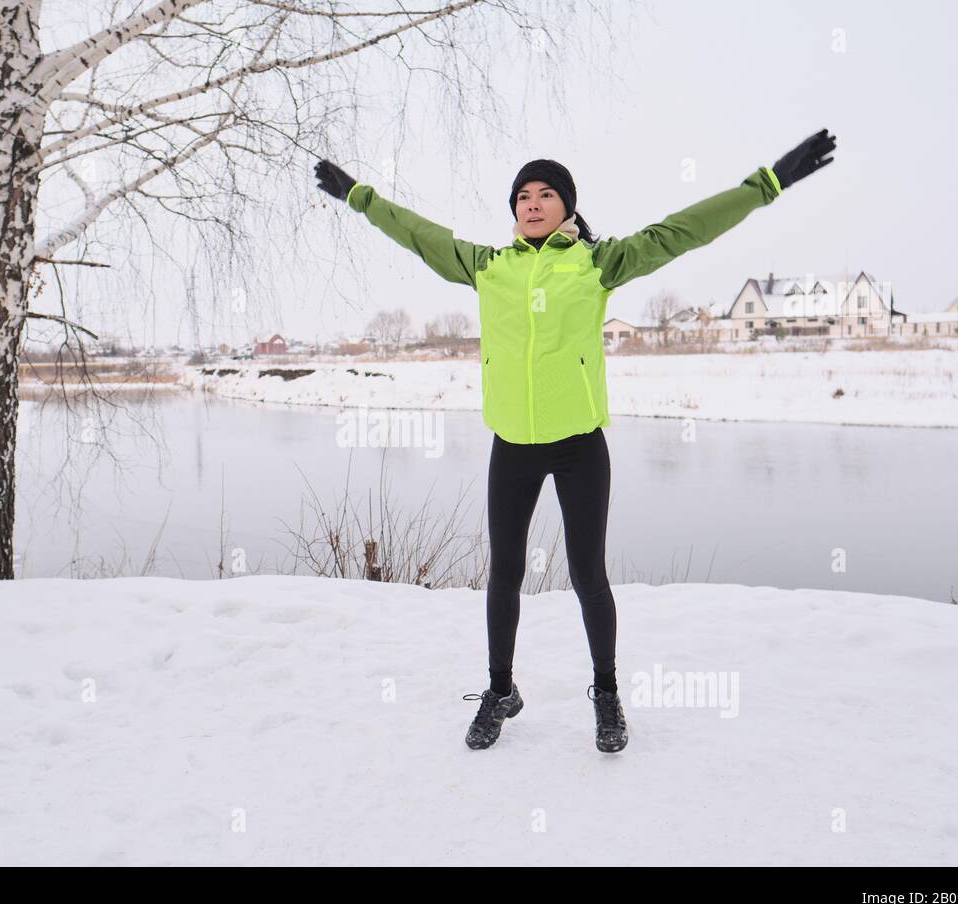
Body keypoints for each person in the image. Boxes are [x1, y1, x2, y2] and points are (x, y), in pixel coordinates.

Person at [313, 129, 837, 753]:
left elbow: (684, 230)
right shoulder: (488, 268)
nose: (531, 204)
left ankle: (607, 695)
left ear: (568, 206)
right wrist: (359, 197)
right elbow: (419, 233)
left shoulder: (598, 263)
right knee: (503, 572)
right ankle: (500, 690)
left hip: (579, 445)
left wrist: (768, 183)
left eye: (546, 194)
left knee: (588, 574)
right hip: (513, 444)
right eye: (522, 196)